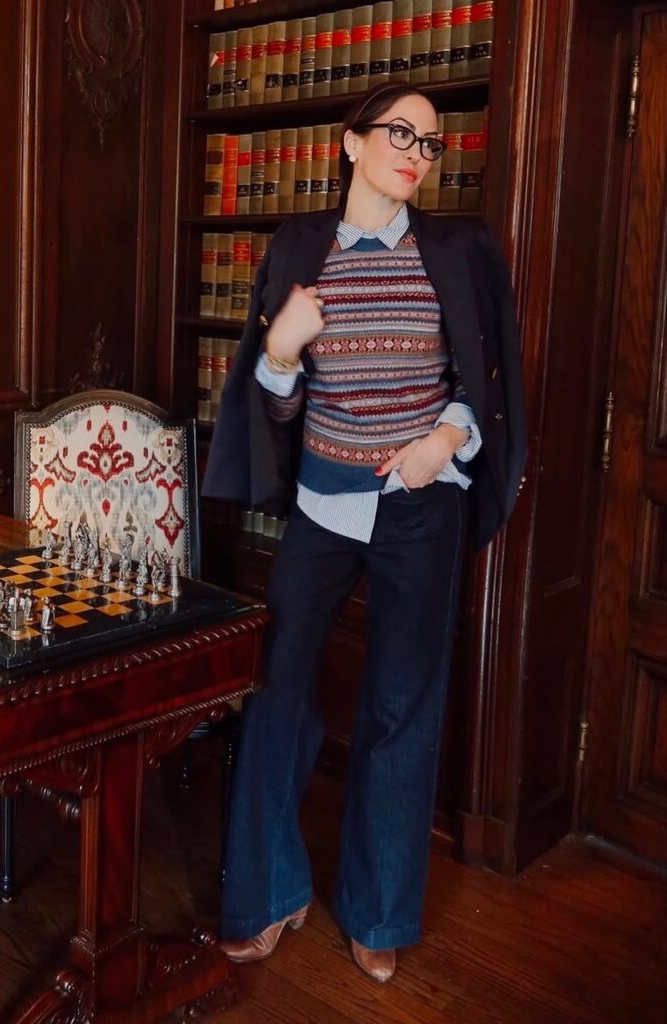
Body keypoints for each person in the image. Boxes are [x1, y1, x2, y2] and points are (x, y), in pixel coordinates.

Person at [203, 82, 526, 983]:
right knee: (274, 691)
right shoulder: (300, 246)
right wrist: (277, 350)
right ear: (349, 143)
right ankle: (268, 892)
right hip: (320, 505)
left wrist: (444, 439)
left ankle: (379, 906)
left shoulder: (458, 251)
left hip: (421, 506)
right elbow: (273, 400)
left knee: (401, 705)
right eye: (399, 133)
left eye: (430, 143)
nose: (417, 152)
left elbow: (487, 375)